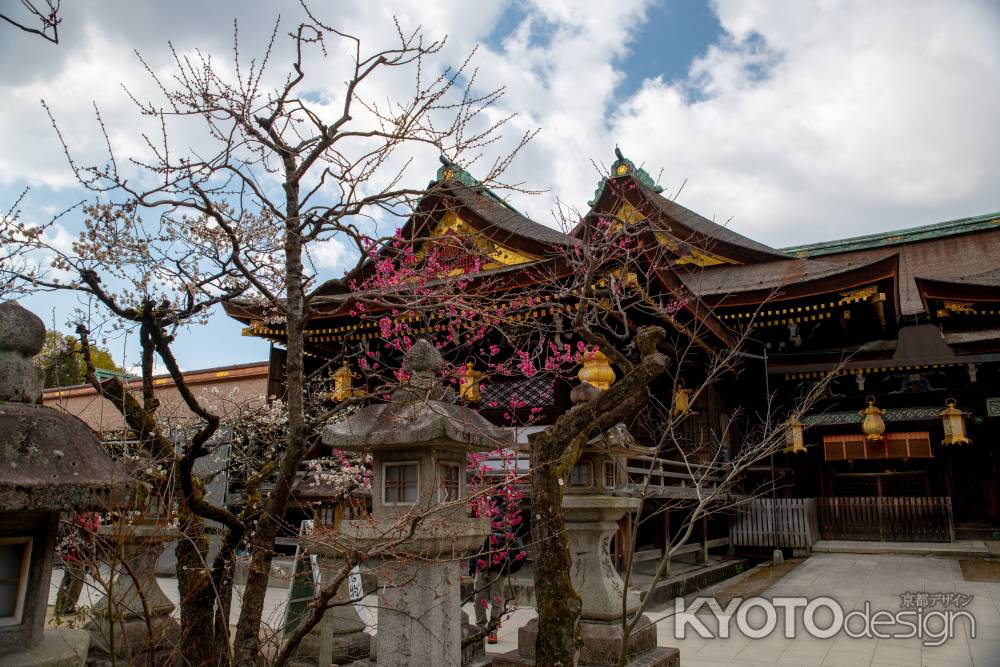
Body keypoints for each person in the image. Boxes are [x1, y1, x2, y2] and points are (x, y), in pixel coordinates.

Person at [470, 499, 525, 644]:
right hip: (481, 567)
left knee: (497, 600)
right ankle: (480, 629)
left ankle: (492, 630)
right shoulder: (479, 522)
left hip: (497, 568)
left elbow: (510, 541)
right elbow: (475, 547)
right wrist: (472, 566)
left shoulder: (502, 520)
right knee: (477, 600)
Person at [54, 512, 101, 615]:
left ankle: (59, 607)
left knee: (68, 579)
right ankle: (67, 608)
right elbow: (91, 528)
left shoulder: (74, 515)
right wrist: (96, 520)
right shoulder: (78, 517)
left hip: (71, 552)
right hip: (76, 554)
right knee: (77, 579)